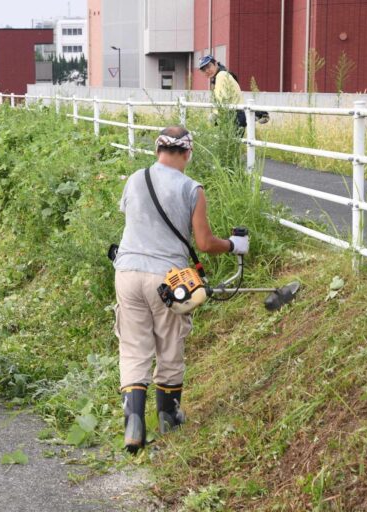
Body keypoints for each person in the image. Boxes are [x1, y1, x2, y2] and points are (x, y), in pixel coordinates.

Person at [112, 126, 249, 453]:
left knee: (134, 346)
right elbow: (204, 242)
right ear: (187, 153)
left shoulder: (135, 179)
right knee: (170, 342)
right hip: (168, 279)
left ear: (158, 150)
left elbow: (133, 221)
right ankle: (168, 417)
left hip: (127, 272)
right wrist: (234, 245)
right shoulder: (192, 189)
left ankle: (133, 421)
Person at [198, 55, 269, 129]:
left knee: (228, 140)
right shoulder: (223, 74)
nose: (207, 71)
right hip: (236, 114)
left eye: (208, 66)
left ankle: (257, 114)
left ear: (215, 64)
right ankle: (257, 114)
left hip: (232, 116)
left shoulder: (221, 76)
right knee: (234, 140)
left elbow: (222, 100)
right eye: (203, 69)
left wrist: (215, 116)